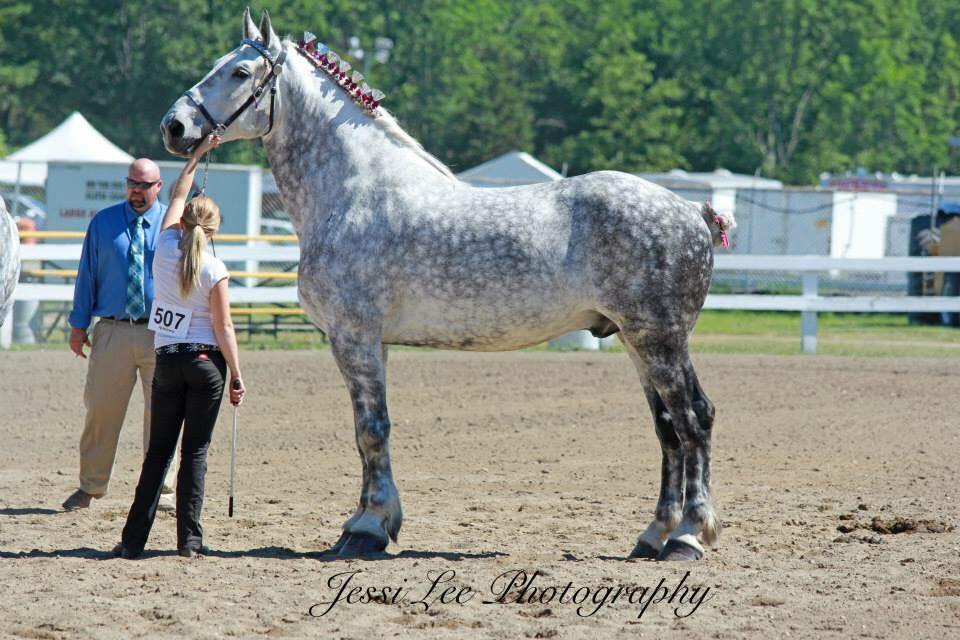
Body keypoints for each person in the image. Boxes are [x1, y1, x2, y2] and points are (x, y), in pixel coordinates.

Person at [114, 134, 245, 559]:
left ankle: (133, 541)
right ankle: (189, 541)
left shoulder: (165, 244)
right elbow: (224, 327)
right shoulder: (215, 267)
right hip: (206, 364)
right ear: (214, 228)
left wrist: (199, 153)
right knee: (195, 454)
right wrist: (238, 377)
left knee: (157, 455)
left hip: (167, 361)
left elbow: (178, 190)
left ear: (185, 221)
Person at [63, 158, 181, 512]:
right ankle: (90, 486)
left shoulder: (172, 224)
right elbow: (87, 275)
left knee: (162, 413)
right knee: (100, 410)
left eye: (144, 185)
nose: (137, 191)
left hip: (161, 331)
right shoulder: (104, 223)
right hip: (112, 329)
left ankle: (162, 489)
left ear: (159, 187)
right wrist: (78, 324)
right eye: (132, 183)